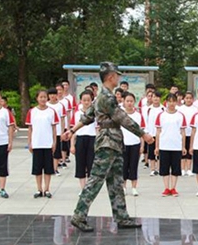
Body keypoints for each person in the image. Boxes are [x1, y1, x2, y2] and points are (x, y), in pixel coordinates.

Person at [63, 62, 154, 232]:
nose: (119, 78)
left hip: (113, 143)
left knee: (116, 182)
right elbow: (122, 118)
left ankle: (121, 216)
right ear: (111, 76)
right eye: (117, 75)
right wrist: (143, 134)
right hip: (108, 143)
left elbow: (88, 115)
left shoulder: (101, 97)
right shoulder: (107, 97)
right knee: (96, 180)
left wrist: (72, 130)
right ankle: (79, 215)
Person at [26, 89, 59, 199]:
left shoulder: (51, 111)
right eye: (41, 97)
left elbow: (54, 128)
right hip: (36, 143)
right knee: (37, 168)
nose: (43, 99)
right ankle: (39, 189)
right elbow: (30, 128)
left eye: (45, 97)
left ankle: (47, 189)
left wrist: (54, 142)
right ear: (37, 98)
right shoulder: (32, 111)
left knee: (48, 168)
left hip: (47, 143)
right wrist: (29, 142)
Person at [155, 93, 187, 197]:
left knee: (175, 168)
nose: (171, 103)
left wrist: (183, 146)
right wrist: (157, 146)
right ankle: (166, 188)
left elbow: (183, 132)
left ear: (176, 102)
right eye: (169, 101)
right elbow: (158, 131)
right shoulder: (161, 115)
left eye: (173, 101)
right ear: (166, 102)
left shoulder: (180, 116)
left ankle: (173, 188)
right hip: (164, 145)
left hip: (176, 146)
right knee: (164, 168)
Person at [70, 90, 97, 193]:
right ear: (80, 101)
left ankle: (90, 187)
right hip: (80, 139)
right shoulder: (77, 114)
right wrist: (72, 145)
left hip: (92, 139)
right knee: (80, 164)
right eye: (84, 100)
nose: (86, 102)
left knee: (91, 164)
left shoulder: (95, 114)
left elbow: (97, 129)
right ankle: (83, 188)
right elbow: (73, 130)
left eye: (88, 100)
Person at [121, 92, 145, 197]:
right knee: (123, 166)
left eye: (131, 101)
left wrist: (142, 146)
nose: (129, 103)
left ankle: (134, 187)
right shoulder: (120, 115)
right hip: (123, 144)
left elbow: (142, 132)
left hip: (135, 144)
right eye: (127, 101)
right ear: (123, 102)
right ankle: (123, 187)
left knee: (134, 166)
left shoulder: (138, 116)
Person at [178, 92, 198, 176]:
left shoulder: (196, 109)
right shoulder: (180, 109)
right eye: (187, 98)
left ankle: (189, 169)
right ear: (184, 99)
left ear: (193, 99)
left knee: (190, 151)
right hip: (182, 133)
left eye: (190, 98)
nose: (188, 100)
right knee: (183, 151)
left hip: (192, 133)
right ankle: (182, 169)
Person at [143, 91, 164, 176]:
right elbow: (146, 121)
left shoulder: (163, 109)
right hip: (151, 133)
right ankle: (152, 169)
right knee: (151, 151)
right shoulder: (149, 109)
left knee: (159, 151)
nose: (155, 99)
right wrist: (146, 132)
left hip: (160, 134)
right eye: (154, 97)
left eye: (157, 97)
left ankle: (159, 168)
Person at [46, 88, 66, 176]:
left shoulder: (60, 106)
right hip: (47, 132)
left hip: (57, 132)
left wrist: (62, 131)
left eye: (54, 94)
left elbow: (62, 119)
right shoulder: (45, 105)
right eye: (50, 94)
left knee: (56, 151)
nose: (52, 96)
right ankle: (48, 168)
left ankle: (55, 169)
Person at [56, 83, 72, 166]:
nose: (59, 92)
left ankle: (64, 159)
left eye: (60, 90)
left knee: (64, 144)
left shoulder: (66, 101)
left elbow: (68, 114)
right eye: (57, 90)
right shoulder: (51, 102)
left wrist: (68, 126)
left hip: (64, 125)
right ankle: (57, 160)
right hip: (56, 126)